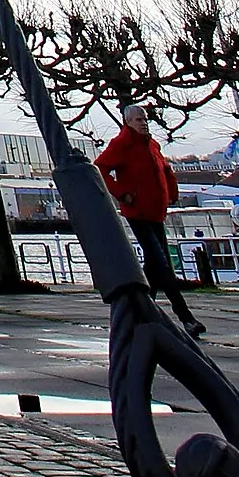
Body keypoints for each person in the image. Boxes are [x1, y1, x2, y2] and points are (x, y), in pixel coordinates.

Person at [96, 104, 203, 335]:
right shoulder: (122, 144)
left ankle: (142, 311)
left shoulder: (151, 144)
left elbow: (164, 170)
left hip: (156, 211)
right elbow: (101, 168)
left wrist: (172, 193)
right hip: (138, 211)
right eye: (137, 120)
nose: (143, 123)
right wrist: (121, 192)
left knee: (155, 264)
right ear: (127, 122)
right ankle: (185, 317)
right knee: (161, 262)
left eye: (144, 119)